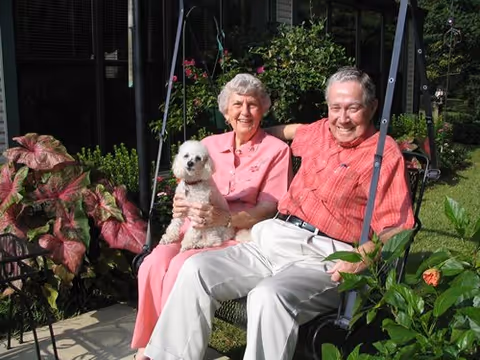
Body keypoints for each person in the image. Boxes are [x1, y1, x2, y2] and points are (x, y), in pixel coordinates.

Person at [143, 67, 416, 360]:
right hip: (273, 239)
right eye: (335, 108)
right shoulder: (322, 131)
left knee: (267, 296)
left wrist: (361, 259)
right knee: (196, 269)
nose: (342, 118)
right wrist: (251, 136)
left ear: (373, 107)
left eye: (353, 108)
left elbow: (397, 226)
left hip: (323, 257)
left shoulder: (382, 155)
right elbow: (292, 130)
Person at [131, 73, 292, 360]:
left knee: (182, 264)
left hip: (235, 233)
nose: (245, 112)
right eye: (238, 104)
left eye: (253, 105)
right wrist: (179, 205)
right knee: (153, 263)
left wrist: (225, 218)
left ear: (263, 109)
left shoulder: (276, 151)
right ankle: (149, 346)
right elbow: (186, 183)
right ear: (226, 110)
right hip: (193, 226)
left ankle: (169, 354)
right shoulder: (209, 144)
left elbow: (268, 208)